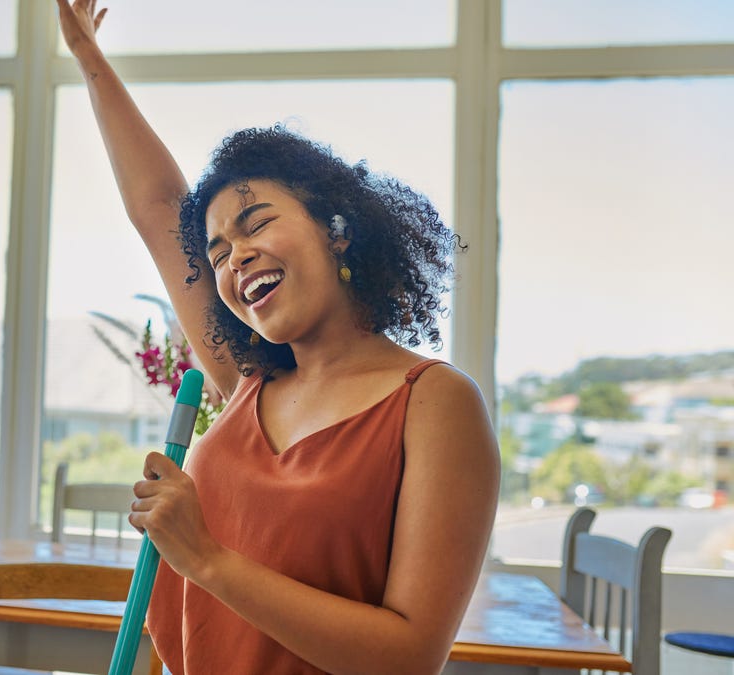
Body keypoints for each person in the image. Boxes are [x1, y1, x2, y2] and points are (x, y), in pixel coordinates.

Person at [55, 2, 501, 673]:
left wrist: (206, 558)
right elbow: (157, 210)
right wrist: (88, 59)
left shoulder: (437, 404)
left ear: (338, 229)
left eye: (255, 222)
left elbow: (409, 657)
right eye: (218, 251)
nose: (234, 256)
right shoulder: (247, 380)